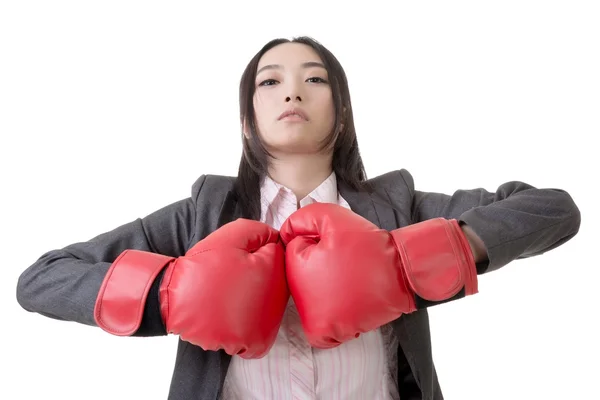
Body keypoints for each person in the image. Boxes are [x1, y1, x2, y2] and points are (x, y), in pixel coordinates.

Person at [16, 36, 581, 400]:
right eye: (270, 81)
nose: (292, 90)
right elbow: (41, 279)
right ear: (247, 120)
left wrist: (403, 267)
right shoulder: (202, 215)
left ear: (341, 113)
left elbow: (553, 210)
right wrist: (169, 292)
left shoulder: (398, 207)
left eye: (315, 79)